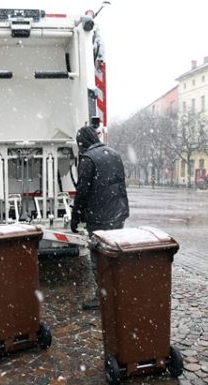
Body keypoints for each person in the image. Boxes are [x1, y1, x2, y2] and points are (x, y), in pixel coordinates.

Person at [70, 126, 130, 310]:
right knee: (114, 253)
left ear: (82, 142)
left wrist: (75, 217)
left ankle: (102, 296)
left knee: (98, 256)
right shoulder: (114, 153)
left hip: (100, 216)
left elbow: (82, 192)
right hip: (118, 212)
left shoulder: (88, 159)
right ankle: (118, 290)